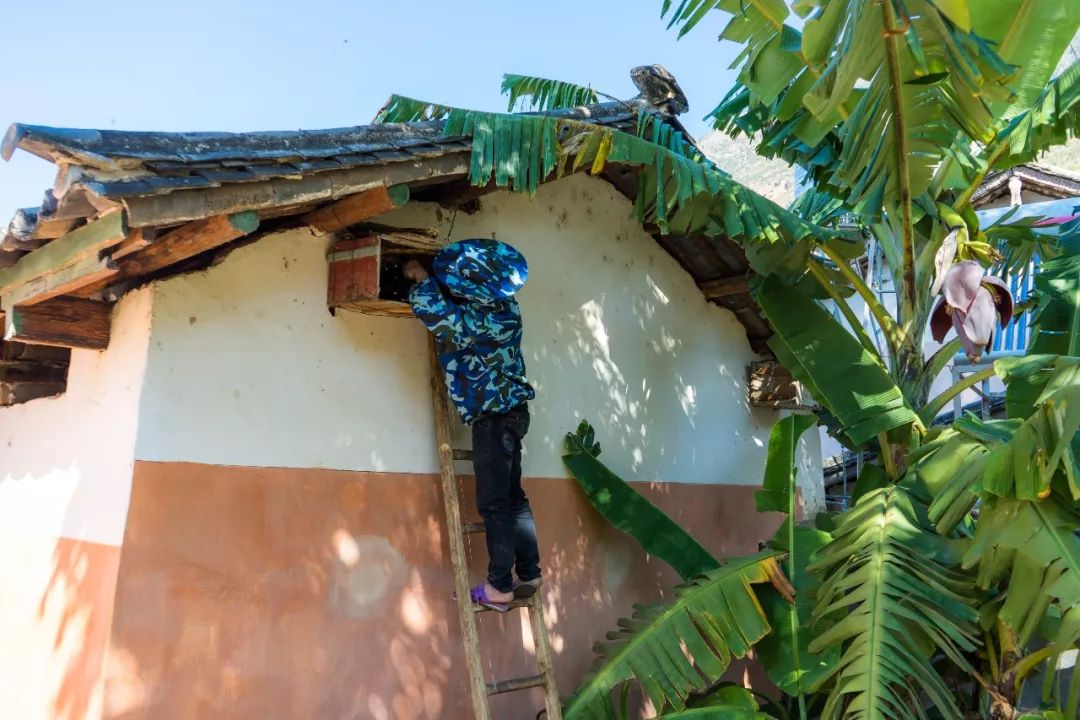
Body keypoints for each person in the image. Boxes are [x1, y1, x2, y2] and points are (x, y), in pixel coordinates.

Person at [403, 238, 541, 613]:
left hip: (494, 418)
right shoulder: (505, 306)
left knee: (494, 503)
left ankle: (499, 588)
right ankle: (529, 573)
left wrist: (418, 276)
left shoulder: (483, 322)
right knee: (513, 498)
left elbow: (441, 317)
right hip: (513, 414)